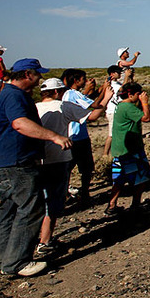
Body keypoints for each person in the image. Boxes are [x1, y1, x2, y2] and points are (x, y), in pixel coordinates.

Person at [0, 59, 71, 277]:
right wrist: (54, 136)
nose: (39, 78)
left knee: (9, 212)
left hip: (2, 164)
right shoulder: (14, 95)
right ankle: (17, 262)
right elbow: (19, 123)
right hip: (15, 164)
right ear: (28, 74)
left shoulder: (7, 93)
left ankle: (2, 263)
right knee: (31, 209)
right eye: (38, 74)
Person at [35, 77, 108, 259]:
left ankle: (30, 241)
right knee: (52, 203)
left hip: (35, 160)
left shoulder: (33, 108)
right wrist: (105, 98)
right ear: (58, 92)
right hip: (58, 159)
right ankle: (44, 241)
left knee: (36, 202)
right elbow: (91, 115)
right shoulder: (64, 106)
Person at [61, 69, 111, 207]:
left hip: (77, 135)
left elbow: (89, 101)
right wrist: (106, 95)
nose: (86, 81)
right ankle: (82, 194)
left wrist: (100, 91)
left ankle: (73, 194)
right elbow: (94, 106)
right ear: (76, 81)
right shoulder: (72, 94)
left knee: (76, 168)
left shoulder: (70, 94)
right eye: (84, 79)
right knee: (83, 168)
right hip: (76, 137)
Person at [107, 82, 150, 215]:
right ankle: (136, 205)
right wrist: (144, 103)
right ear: (131, 94)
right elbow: (146, 118)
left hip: (120, 148)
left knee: (119, 178)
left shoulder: (121, 106)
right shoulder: (127, 107)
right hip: (131, 150)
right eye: (138, 94)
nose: (140, 96)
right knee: (141, 177)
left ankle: (112, 204)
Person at [103, 65, 122, 156]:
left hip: (116, 111)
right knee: (111, 134)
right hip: (112, 111)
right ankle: (105, 154)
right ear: (112, 74)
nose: (120, 74)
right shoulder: (111, 85)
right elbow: (122, 91)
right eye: (118, 72)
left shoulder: (117, 84)